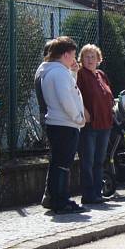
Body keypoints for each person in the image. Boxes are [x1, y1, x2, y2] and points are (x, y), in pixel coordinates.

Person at [35, 37, 87, 214]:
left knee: (58, 163)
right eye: (73, 55)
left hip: (60, 123)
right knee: (63, 164)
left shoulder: (54, 70)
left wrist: (73, 73)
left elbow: (68, 90)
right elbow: (66, 98)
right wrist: (78, 117)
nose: (74, 59)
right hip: (64, 123)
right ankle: (60, 201)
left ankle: (54, 198)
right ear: (65, 54)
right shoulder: (58, 73)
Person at [76, 44, 114, 205]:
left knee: (99, 160)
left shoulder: (101, 75)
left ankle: (98, 192)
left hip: (105, 123)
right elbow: (75, 94)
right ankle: (88, 193)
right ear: (81, 59)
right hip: (90, 124)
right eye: (87, 56)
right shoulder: (80, 75)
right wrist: (84, 111)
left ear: (98, 59)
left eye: (93, 57)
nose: (90, 60)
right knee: (88, 160)